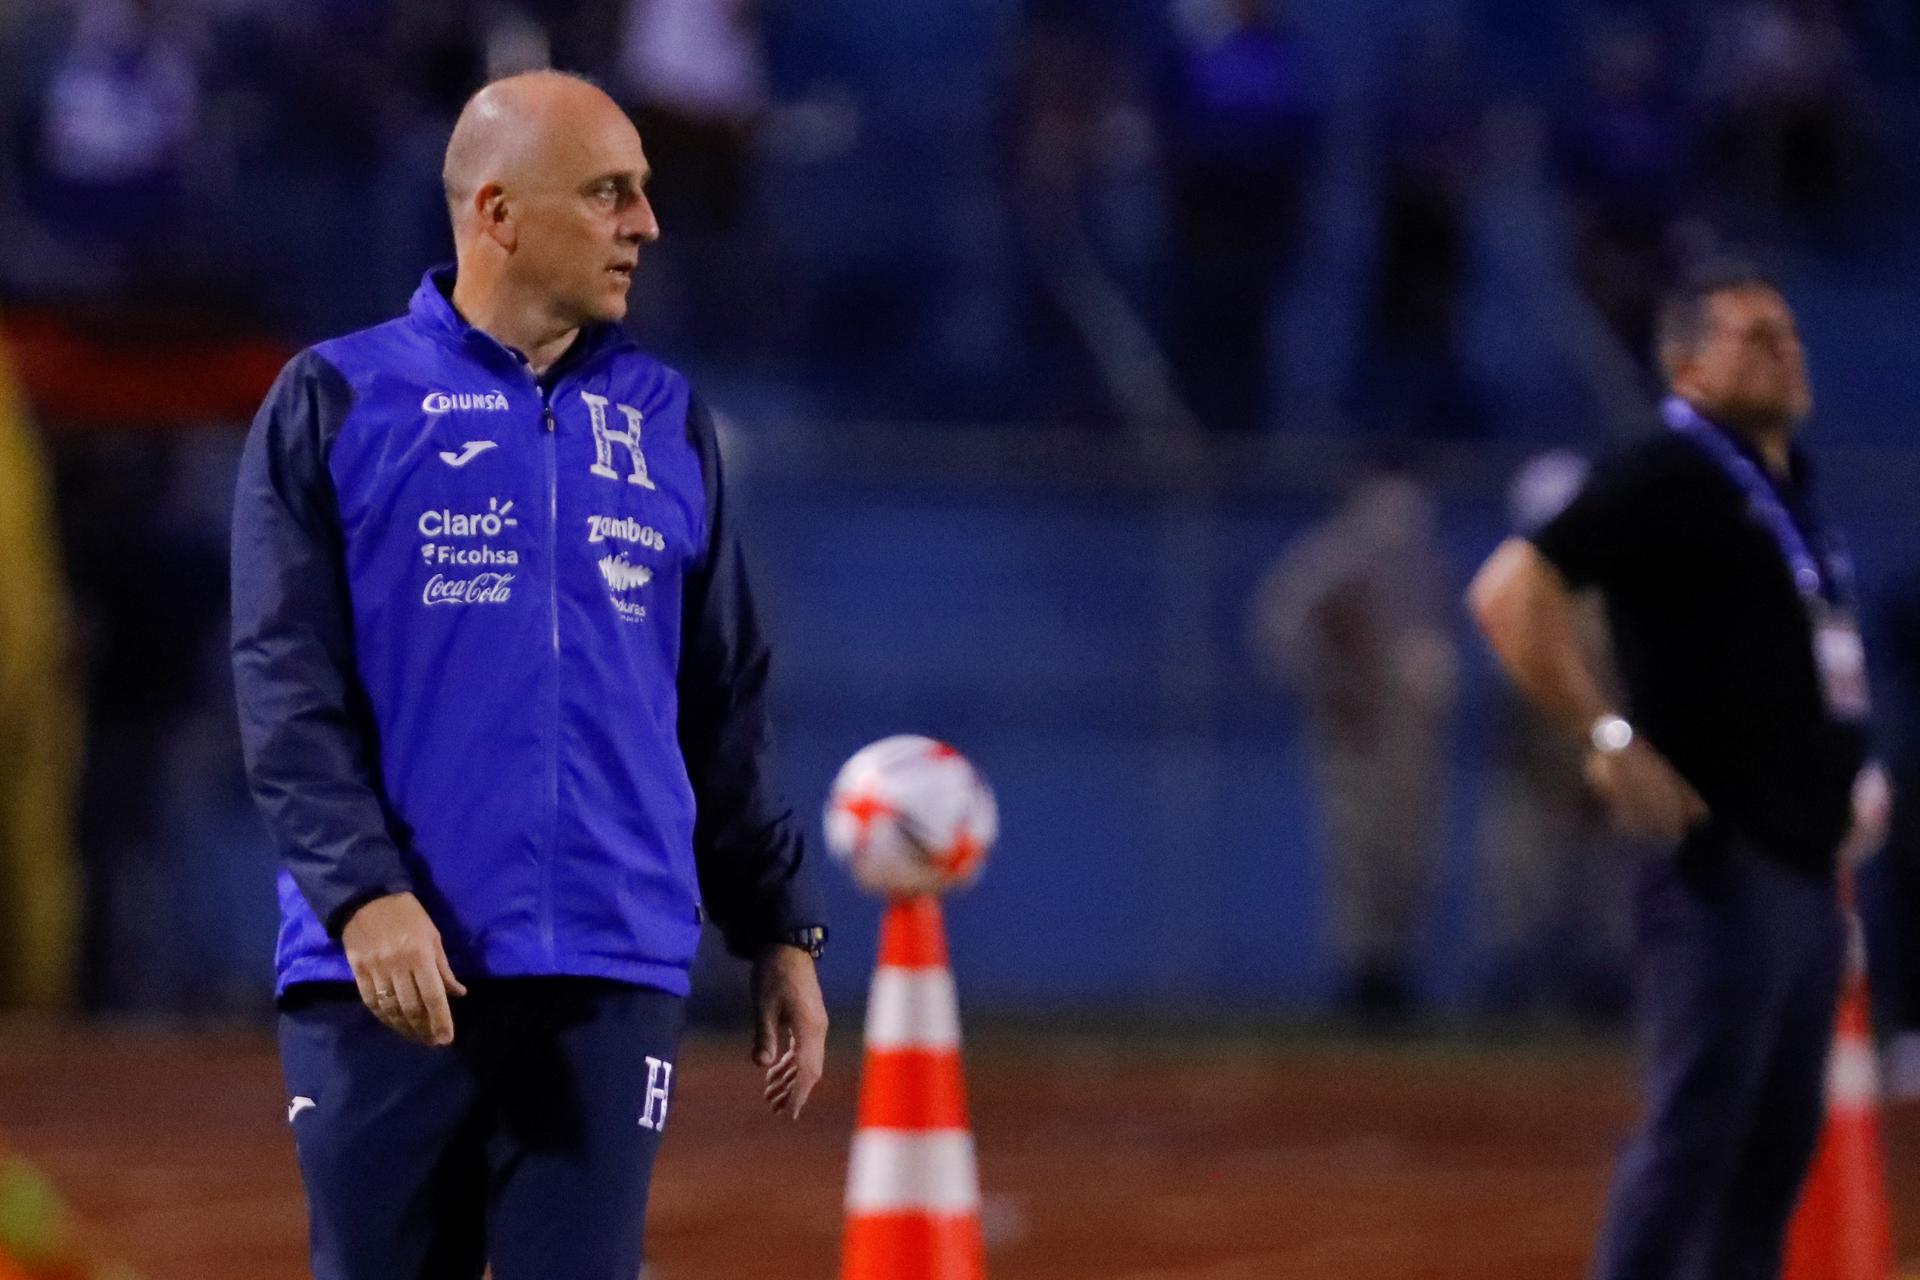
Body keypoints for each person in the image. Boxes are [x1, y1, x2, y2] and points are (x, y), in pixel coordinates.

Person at [230, 70, 828, 1280]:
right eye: (611, 192)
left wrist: (779, 927)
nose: (646, 224)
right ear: (497, 212)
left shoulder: (670, 420)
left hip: (606, 972)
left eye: (645, 193)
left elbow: (720, 699)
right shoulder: (336, 399)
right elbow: (284, 685)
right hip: (388, 971)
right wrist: (363, 895)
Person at [1468, 262, 1888, 1279]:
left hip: (1799, 863)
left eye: (1789, 333)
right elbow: (1511, 588)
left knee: (1770, 1157)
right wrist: (1608, 734)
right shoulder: (1674, 472)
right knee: (1699, 1133)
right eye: (1753, 336)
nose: (1785, 349)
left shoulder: (1788, 489)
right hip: (1721, 861)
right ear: (1687, 365)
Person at [1251, 474, 1456, 1016]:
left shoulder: (1420, 566)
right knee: (1357, 852)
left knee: (1409, 854)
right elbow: (1279, 633)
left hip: (1408, 731)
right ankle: (1362, 976)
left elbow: (1429, 648)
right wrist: (1334, 683)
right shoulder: (1328, 560)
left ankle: (1394, 972)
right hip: (1354, 733)